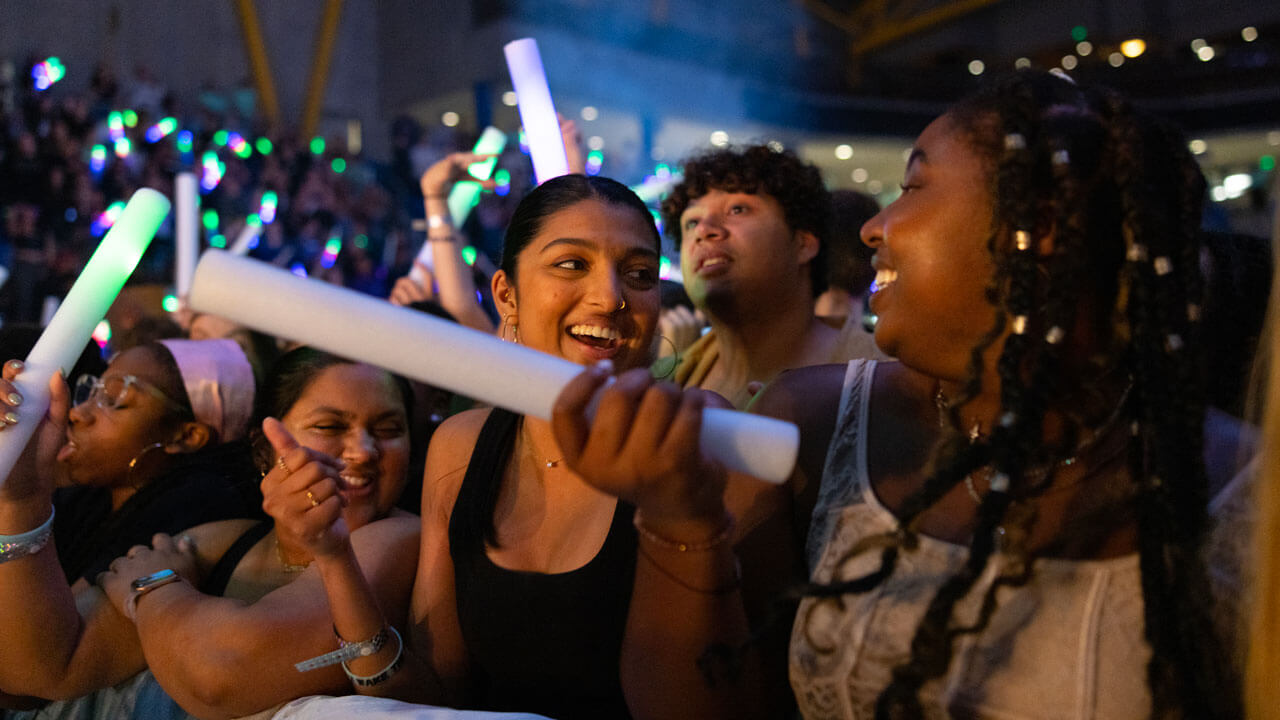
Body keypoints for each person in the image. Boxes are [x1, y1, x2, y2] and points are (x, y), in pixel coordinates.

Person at [550, 69, 1246, 719]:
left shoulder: (1241, 490)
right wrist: (681, 521)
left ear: (1037, 227)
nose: (873, 228)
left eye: (913, 188)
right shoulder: (816, 420)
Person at [264, 174, 667, 720]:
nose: (611, 297)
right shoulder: (462, 446)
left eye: (639, 274)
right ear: (507, 295)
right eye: (572, 264)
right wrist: (335, 558)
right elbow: (433, 698)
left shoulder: (696, 443)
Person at [0, 347, 418, 719]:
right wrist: (23, 497)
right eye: (330, 427)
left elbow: (222, 676)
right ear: (263, 450)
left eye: (388, 430)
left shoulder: (400, 538)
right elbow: (43, 670)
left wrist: (153, 590)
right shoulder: (224, 538)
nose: (363, 451)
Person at [659, 145, 868, 408]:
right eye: (691, 223)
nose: (704, 230)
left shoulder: (878, 380)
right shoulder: (666, 378)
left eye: (737, 210)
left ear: (803, 245)